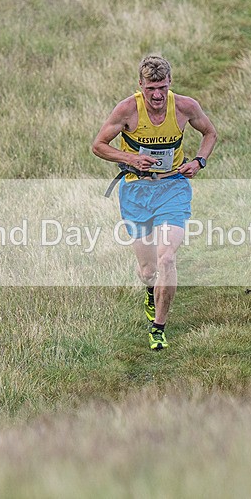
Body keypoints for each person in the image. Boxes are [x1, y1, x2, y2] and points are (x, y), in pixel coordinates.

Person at [92, 55, 217, 350]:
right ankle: (151, 290)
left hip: (173, 188)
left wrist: (199, 161)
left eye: (162, 87)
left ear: (170, 83)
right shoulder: (126, 110)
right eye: (151, 89)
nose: (157, 95)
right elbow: (98, 146)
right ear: (140, 86)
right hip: (136, 192)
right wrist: (130, 158)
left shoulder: (186, 107)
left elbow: (210, 133)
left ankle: (158, 328)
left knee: (167, 257)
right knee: (148, 269)